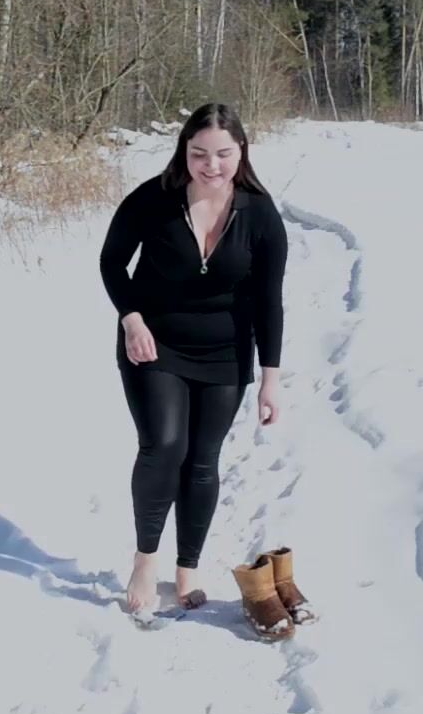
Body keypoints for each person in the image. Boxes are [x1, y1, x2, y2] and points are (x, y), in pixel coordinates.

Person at [98, 103, 288, 615]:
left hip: (226, 351)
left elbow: (269, 301)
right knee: (164, 445)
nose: (211, 165)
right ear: (184, 150)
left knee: (203, 460)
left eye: (223, 153)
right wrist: (131, 319)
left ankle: (188, 566)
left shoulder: (259, 213)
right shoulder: (152, 199)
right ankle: (145, 559)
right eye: (199, 153)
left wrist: (270, 378)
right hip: (153, 342)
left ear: (241, 151)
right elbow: (112, 262)